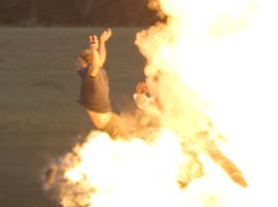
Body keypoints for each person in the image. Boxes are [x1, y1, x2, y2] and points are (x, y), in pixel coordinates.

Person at [75, 29, 247, 188]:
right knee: (189, 162)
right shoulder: (161, 103)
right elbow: (146, 105)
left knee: (211, 151)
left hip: (196, 131)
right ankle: (186, 185)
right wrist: (141, 96)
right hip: (183, 137)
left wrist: (97, 46)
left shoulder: (184, 99)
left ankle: (235, 176)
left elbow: (98, 64)